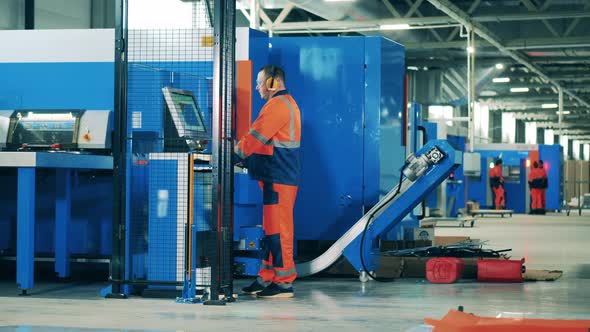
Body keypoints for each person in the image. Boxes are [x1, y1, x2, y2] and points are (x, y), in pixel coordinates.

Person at [234, 65, 301, 298]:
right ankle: (267, 277)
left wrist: (234, 154)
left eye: (260, 82)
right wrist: (248, 162)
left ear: (273, 83)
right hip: (275, 177)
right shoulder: (282, 104)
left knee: (279, 232)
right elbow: (268, 145)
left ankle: (284, 282)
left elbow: (255, 136)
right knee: (272, 231)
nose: (257, 87)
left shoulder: (278, 106)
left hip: (279, 179)